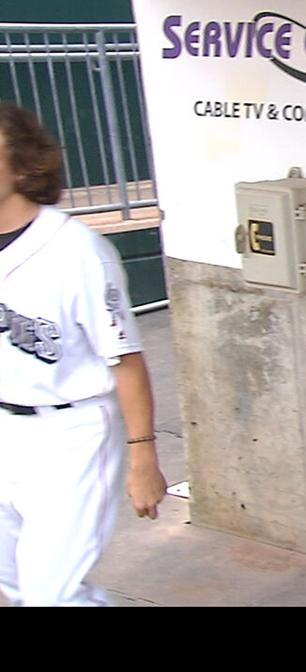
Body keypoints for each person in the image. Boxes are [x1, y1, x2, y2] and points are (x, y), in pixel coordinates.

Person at [0, 102, 167, 606]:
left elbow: (128, 361)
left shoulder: (77, 252)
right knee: (16, 579)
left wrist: (143, 457)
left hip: (71, 434)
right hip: (6, 427)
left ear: (24, 164)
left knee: (53, 592)